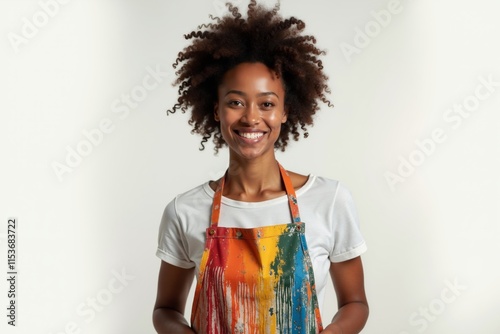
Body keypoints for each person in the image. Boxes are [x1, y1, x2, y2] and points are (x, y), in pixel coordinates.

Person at [153, 1, 369, 333]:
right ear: (216, 110)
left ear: (285, 111)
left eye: (267, 103)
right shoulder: (184, 210)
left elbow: (355, 303)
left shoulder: (329, 199)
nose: (251, 117)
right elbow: (166, 309)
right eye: (235, 102)